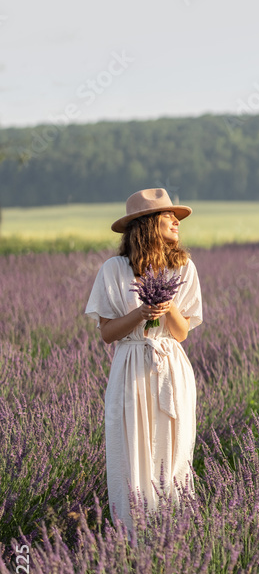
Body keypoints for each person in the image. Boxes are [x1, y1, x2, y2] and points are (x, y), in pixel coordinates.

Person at [84, 188, 203, 535]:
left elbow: (181, 333)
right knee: (130, 449)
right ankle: (134, 536)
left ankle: (173, 534)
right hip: (132, 365)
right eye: (169, 217)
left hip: (170, 364)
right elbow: (108, 334)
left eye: (176, 218)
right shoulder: (114, 270)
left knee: (174, 450)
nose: (176, 223)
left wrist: (167, 302)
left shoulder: (184, 267)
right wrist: (140, 312)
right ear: (148, 224)